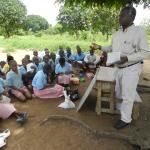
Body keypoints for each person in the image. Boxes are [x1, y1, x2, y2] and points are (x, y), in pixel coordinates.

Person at [92, 6, 149, 129]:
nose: (119, 17)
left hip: (132, 68)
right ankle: (121, 109)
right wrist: (100, 47)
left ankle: (125, 119)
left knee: (128, 95)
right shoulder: (117, 34)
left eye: (123, 15)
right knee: (119, 91)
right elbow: (111, 48)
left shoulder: (139, 32)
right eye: (120, 15)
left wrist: (127, 58)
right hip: (118, 68)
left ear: (132, 16)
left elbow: (145, 52)